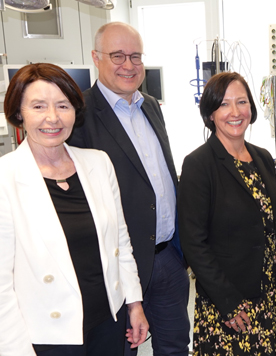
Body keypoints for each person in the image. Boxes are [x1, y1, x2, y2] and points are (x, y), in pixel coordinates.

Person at [0, 63, 148, 356]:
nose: (52, 118)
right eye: (38, 106)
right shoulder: (6, 178)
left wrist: (134, 302)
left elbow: (121, 241)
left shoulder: (98, 163)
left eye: (63, 105)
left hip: (108, 321)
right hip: (47, 336)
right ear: (19, 113)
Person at [68, 22, 190, 355]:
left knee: (176, 346)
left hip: (167, 258)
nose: (129, 65)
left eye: (135, 56)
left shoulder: (150, 105)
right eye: (118, 55)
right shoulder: (79, 116)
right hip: (118, 269)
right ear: (96, 57)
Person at [178, 72, 276, 356]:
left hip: (269, 293)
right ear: (210, 113)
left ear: (251, 109)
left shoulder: (263, 157)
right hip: (229, 300)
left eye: (241, 102)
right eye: (224, 104)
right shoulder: (198, 165)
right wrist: (227, 302)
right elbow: (194, 244)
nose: (235, 112)